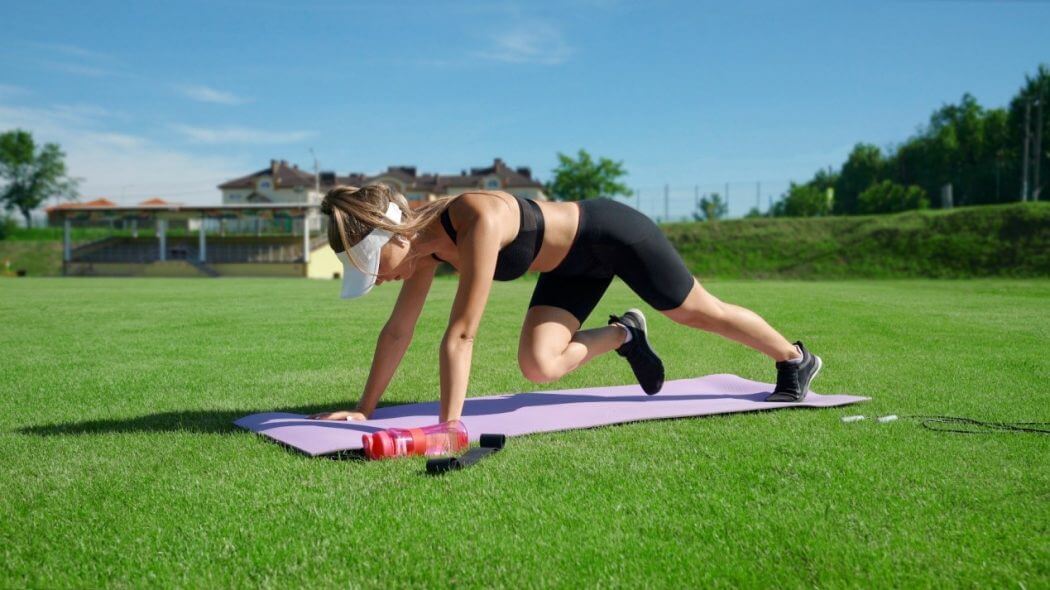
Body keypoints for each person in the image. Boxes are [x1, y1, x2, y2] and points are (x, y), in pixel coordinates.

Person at [308, 184, 821, 422]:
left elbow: (462, 333)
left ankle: (795, 360)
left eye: (376, 270)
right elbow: (399, 332)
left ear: (392, 237)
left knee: (696, 311)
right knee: (538, 364)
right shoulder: (420, 252)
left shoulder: (473, 218)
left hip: (613, 234)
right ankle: (626, 335)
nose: (380, 282)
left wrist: (448, 429)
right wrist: (364, 410)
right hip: (568, 267)